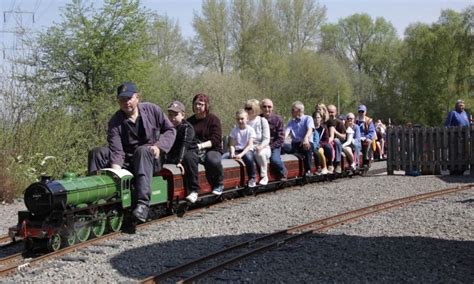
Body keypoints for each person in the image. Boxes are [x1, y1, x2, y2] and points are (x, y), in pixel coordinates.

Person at [88, 82, 176, 223]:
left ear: (137, 97)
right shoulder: (115, 121)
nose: (126, 102)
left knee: (142, 151)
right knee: (97, 152)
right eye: (122, 99)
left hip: (150, 158)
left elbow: (170, 130)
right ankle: (95, 200)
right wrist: (115, 173)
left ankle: (142, 205)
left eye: (129, 98)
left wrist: (159, 146)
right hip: (127, 161)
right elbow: (117, 150)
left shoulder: (153, 110)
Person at [187, 93, 225, 195]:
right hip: (194, 149)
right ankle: (193, 189)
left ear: (206, 106)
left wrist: (201, 146)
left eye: (200, 104)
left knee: (212, 160)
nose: (197, 106)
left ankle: (219, 183)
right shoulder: (189, 121)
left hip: (212, 149)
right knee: (188, 159)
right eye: (195, 104)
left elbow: (216, 139)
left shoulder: (213, 119)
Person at [165, 100, 200, 204]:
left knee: (188, 158)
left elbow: (185, 145)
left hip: (189, 151)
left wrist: (180, 161)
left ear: (183, 115)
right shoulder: (166, 127)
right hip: (173, 153)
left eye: (176, 114)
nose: (173, 118)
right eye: (170, 115)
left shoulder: (187, 128)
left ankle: (194, 190)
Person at [223, 109, 257, 187]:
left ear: (247, 119)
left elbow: (249, 145)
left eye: (242, 119)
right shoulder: (234, 130)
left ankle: (252, 178)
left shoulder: (250, 130)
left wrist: (241, 155)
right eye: (238, 119)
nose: (240, 121)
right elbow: (232, 144)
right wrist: (232, 153)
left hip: (247, 150)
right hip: (237, 150)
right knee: (224, 156)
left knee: (248, 158)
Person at [284, 101, 314, 176]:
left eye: (293, 110)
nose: (291, 112)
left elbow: (310, 129)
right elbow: (286, 132)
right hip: (295, 144)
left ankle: (308, 170)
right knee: (282, 146)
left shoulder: (308, 118)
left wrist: (306, 138)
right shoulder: (291, 122)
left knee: (307, 146)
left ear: (299, 111)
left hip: (305, 143)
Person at [260, 98, 288, 180]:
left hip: (274, 145)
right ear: (261, 108)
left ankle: (283, 172)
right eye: (264, 106)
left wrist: (270, 146)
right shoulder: (258, 119)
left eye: (269, 106)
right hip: (260, 146)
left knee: (275, 160)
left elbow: (281, 138)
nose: (267, 109)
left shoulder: (278, 119)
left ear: (272, 108)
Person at [245, 99, 271, 185]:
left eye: (249, 108)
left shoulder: (262, 121)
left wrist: (260, 146)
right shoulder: (244, 122)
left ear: (255, 109)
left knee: (259, 154)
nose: (246, 110)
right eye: (246, 108)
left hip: (262, 147)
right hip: (248, 147)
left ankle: (264, 176)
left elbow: (266, 139)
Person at [326, 104, 346, 174]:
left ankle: (338, 164)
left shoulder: (339, 122)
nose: (330, 114)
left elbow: (344, 137)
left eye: (332, 112)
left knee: (336, 140)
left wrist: (335, 132)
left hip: (338, 143)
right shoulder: (325, 122)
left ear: (335, 112)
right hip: (327, 141)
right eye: (329, 112)